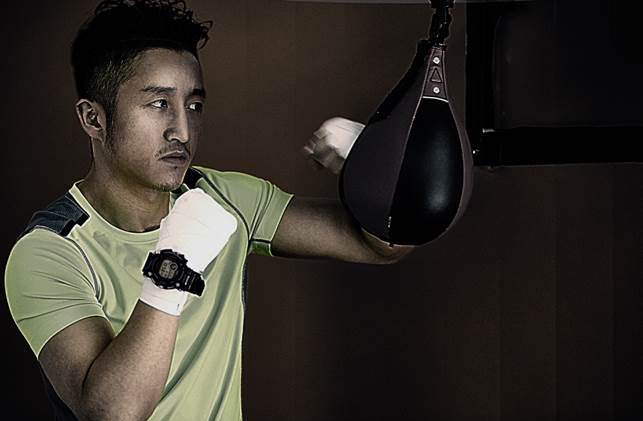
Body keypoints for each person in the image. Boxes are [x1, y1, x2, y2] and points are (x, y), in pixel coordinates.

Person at [4, 1, 414, 420]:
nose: (182, 131)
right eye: (159, 103)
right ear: (94, 118)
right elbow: (113, 413)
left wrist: (372, 171)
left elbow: (384, 245)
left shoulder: (226, 199)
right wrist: (171, 270)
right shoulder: (49, 252)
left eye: (194, 106)